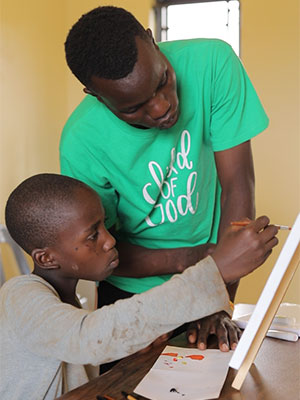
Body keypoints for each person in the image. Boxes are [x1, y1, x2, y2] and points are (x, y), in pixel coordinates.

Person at [60, 6, 270, 352]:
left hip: (216, 277)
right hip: (132, 300)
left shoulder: (213, 63)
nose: (161, 108)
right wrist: (203, 263)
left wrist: (216, 297)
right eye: (133, 108)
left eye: (163, 81)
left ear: (153, 40)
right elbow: (101, 253)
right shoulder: (81, 142)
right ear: (95, 96)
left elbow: (237, 184)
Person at [0, 173, 278, 399]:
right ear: (46, 258)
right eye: (93, 235)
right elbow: (86, 339)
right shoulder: (20, 294)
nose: (109, 241)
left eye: (105, 227)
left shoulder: (65, 303)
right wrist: (215, 271)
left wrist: (133, 344)